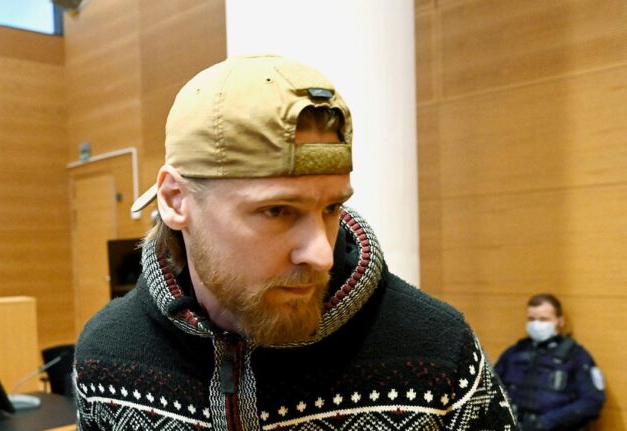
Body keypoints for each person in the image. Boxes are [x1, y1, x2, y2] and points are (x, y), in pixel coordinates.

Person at [73, 55, 518, 431]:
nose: (321, 254)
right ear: (175, 200)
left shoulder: (438, 355)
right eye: (278, 211)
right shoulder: (105, 357)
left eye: (331, 208)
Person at [495, 294, 605, 431]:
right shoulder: (514, 353)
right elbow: (491, 390)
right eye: (531, 319)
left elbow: (592, 402)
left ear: (560, 321)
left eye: (544, 319)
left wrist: (545, 423)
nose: (536, 324)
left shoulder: (576, 356)